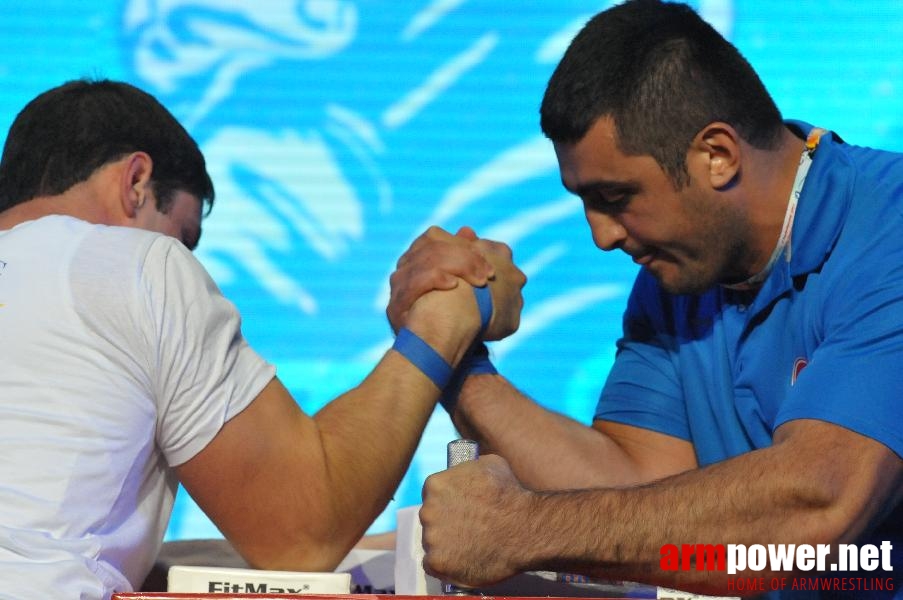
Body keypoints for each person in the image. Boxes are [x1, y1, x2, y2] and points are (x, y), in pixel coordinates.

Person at [387, 1, 903, 597]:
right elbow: (634, 493)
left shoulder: (888, 231)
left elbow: (817, 505)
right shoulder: (678, 277)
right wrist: (451, 348)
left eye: (614, 196)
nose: (601, 236)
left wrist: (522, 528)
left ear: (718, 155)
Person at [0, 78, 526, 599]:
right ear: (136, 182)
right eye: (184, 238)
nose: (185, 260)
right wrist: (452, 312)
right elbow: (302, 530)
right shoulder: (135, 264)